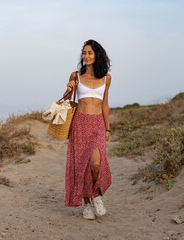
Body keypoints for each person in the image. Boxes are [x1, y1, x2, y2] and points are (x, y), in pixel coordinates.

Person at [64, 39, 112, 220]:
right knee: (81, 165)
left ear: (97, 54)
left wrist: (107, 129)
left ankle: (95, 195)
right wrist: (69, 88)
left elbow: (105, 104)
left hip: (97, 124)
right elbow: (67, 97)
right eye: (84, 53)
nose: (86, 56)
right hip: (79, 123)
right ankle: (87, 204)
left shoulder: (106, 78)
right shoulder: (75, 75)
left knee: (95, 163)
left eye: (90, 53)